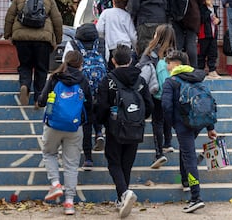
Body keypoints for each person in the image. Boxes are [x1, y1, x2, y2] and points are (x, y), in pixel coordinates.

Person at [96, 45, 153, 218]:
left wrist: (101, 122)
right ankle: (122, 197)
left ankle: (124, 194)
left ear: (113, 61)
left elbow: (101, 106)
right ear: (130, 60)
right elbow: (149, 105)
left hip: (114, 129)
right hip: (135, 128)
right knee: (126, 164)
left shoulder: (108, 80)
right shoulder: (140, 80)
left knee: (114, 162)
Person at [161, 50, 217, 213]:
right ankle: (184, 180)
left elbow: (165, 106)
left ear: (176, 64)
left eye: (169, 62)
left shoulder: (171, 82)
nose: (167, 65)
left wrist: (174, 124)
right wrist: (210, 127)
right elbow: (207, 102)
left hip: (183, 124)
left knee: (189, 156)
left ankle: (196, 197)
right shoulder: (196, 77)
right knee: (186, 151)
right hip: (198, 123)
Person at [37, 50, 92, 215]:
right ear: (81, 64)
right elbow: (89, 105)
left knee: (49, 154)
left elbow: (41, 101)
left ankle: (55, 184)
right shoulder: (83, 80)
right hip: (75, 127)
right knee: (71, 164)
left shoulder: (55, 77)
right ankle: (69, 203)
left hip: (53, 125)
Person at [4, 0, 63, 107]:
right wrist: (57, 40)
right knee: (41, 68)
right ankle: (39, 98)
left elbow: (10, 16)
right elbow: (57, 21)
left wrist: (8, 34)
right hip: (43, 40)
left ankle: (24, 85)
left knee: (25, 65)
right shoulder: (49, 0)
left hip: (22, 38)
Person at [64, 23, 106, 171]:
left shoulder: (73, 44)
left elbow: (66, 63)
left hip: (80, 87)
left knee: (86, 121)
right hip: (100, 87)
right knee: (97, 111)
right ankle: (100, 132)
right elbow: (106, 60)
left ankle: (88, 158)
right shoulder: (101, 42)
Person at [137, 24, 176, 169]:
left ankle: (159, 153)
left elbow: (142, 68)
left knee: (157, 121)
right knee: (167, 116)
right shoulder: (175, 54)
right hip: (171, 92)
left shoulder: (150, 52)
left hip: (155, 91)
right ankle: (168, 142)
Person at [96, 0, 137, 71]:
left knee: (112, 71)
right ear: (126, 5)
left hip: (111, 47)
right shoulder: (126, 15)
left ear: (113, 2)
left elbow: (99, 29)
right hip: (126, 47)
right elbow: (133, 36)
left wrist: (104, 39)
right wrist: (135, 49)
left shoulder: (106, 13)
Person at [198, 0, 221, 79]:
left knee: (213, 53)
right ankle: (200, 70)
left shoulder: (213, 8)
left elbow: (217, 19)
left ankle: (212, 70)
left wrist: (218, 21)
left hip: (213, 34)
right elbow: (202, 19)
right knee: (202, 53)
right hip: (204, 34)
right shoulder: (202, 8)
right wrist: (208, 11)